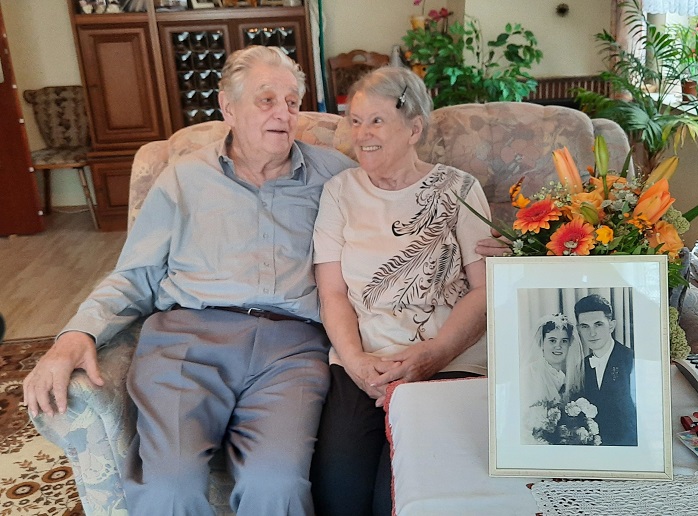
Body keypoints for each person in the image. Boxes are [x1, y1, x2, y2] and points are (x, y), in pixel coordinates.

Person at [22, 46, 357, 515]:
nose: (284, 114)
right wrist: (76, 333)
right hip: (187, 343)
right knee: (169, 489)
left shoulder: (337, 177)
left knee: (276, 484)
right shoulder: (183, 179)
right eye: (266, 100)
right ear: (228, 107)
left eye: (292, 101)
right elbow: (134, 274)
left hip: (291, 351)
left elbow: (397, 220)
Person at [310, 66, 491, 516]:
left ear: (413, 129)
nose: (362, 134)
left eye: (376, 121)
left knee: (401, 494)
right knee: (339, 493)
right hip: (362, 364)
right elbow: (331, 292)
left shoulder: (460, 190)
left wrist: (436, 352)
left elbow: (487, 290)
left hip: (447, 360)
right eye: (354, 120)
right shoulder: (338, 193)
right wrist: (355, 361)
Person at [574, 294, 637, 446]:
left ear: (611, 325)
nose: (592, 333)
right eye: (585, 326)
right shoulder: (583, 366)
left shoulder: (631, 359)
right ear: (578, 330)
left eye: (598, 324)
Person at [521, 313, 584, 444]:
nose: (558, 346)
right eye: (552, 340)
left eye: (564, 341)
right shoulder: (529, 374)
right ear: (542, 343)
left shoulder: (570, 376)